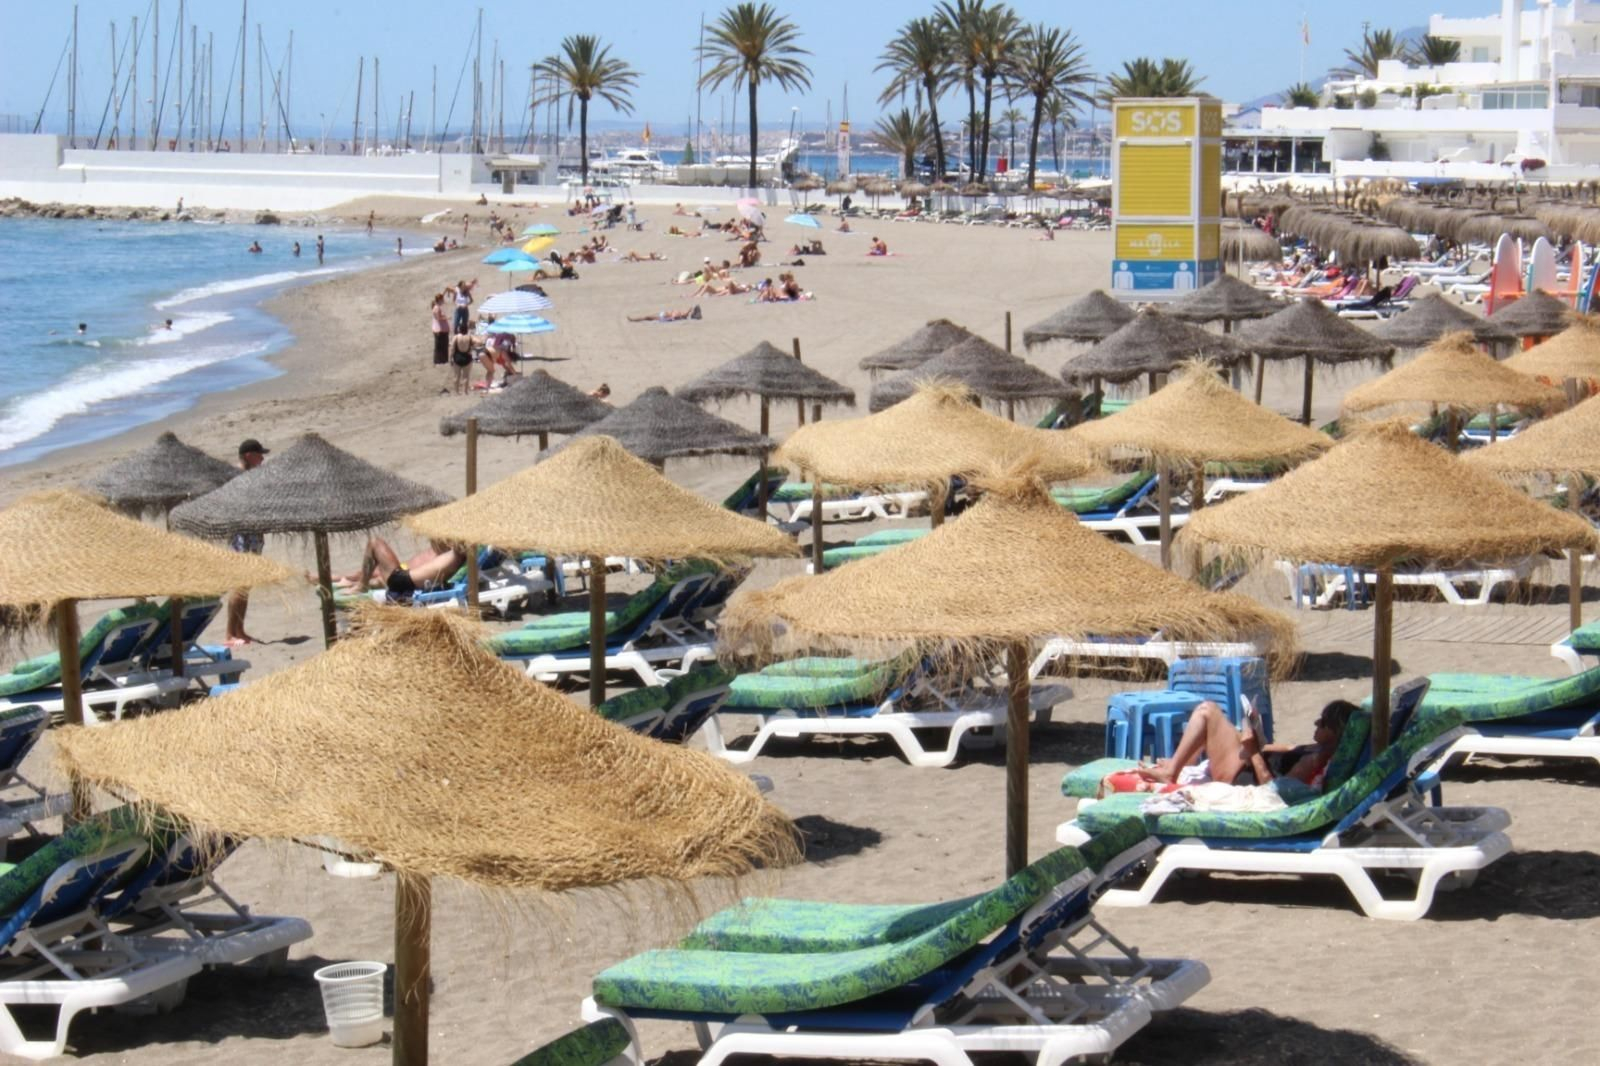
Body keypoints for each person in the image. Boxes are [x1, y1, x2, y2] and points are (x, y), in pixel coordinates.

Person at [1134, 700, 1358, 791]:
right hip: (1248, 763)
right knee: (1214, 725)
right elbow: (1281, 748)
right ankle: (1175, 765)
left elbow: (1275, 792)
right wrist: (1256, 739)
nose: (1316, 723)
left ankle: (1171, 773)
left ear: (1336, 731)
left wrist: (1253, 753)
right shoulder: (1316, 750)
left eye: (1324, 722)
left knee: (1207, 712)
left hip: (1242, 777)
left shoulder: (1315, 761)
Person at [223, 440, 269, 646]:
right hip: (241, 534)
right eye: (259, 456)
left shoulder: (251, 476)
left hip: (254, 533)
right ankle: (229, 633)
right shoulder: (235, 477)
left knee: (247, 584)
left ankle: (239, 630)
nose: (262, 459)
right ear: (249, 456)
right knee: (239, 584)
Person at [334, 538, 467, 592]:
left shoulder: (456, 554)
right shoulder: (453, 555)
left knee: (375, 543)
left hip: (402, 582)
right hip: (405, 580)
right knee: (373, 575)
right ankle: (354, 583)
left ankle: (361, 586)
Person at [450, 326, 477, 394]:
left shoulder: (456, 337)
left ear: (459, 329)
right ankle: (465, 391)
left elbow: (452, 348)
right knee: (466, 376)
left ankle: (456, 392)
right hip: (467, 357)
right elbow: (476, 343)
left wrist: (450, 358)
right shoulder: (469, 337)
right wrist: (471, 349)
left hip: (457, 357)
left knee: (456, 376)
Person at [430, 294, 450, 371]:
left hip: (440, 330)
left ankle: (441, 360)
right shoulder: (437, 308)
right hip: (440, 330)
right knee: (440, 346)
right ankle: (439, 361)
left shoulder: (437, 307)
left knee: (442, 346)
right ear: (440, 300)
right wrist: (446, 317)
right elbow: (439, 318)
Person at [628, 305, 702, 322]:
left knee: (647, 317)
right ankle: (633, 319)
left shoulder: (683, 315)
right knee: (647, 317)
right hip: (663, 315)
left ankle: (633, 320)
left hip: (663, 316)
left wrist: (689, 310)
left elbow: (673, 318)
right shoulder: (684, 314)